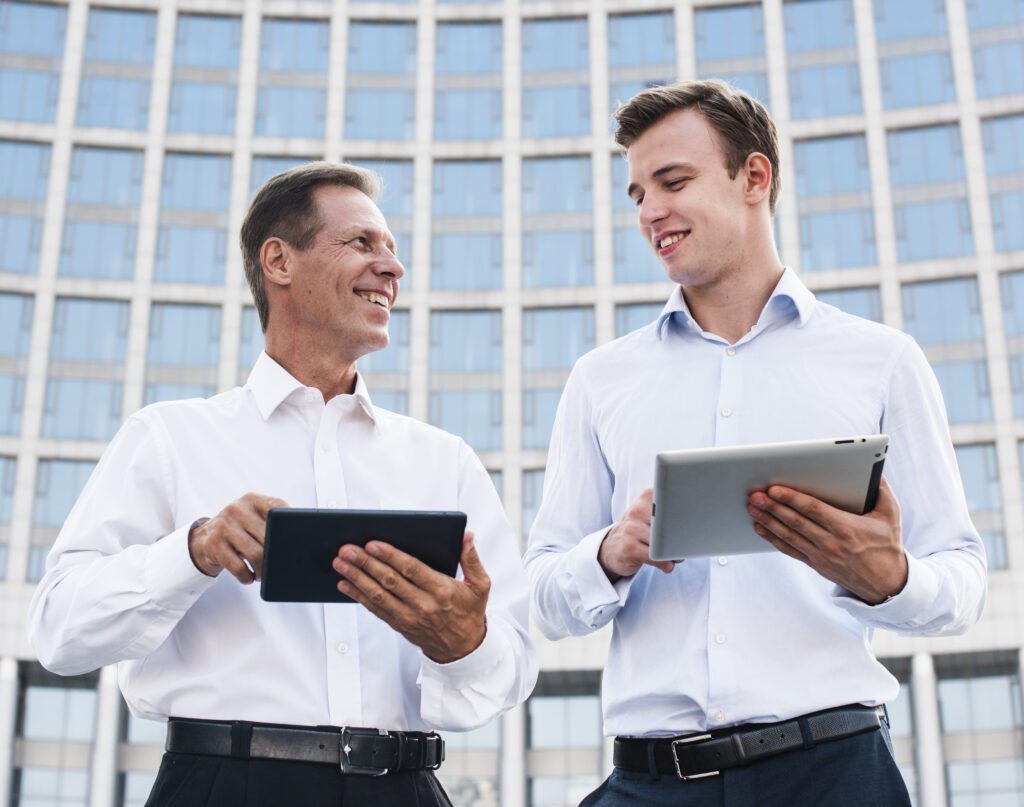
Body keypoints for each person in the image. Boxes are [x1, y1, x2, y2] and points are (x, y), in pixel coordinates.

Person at [524, 80, 987, 806]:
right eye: (637, 193)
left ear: (755, 177)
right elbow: (542, 598)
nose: (650, 211)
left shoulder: (881, 359)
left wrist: (887, 575)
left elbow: (960, 581)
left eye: (672, 182)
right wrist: (609, 553)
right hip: (652, 782)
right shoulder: (600, 380)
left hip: (834, 771)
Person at [28, 162, 537, 807]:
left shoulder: (445, 461)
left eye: (393, 250)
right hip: (224, 787)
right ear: (279, 260)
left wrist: (468, 644)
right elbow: (58, 632)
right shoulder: (169, 437)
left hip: (405, 788)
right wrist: (195, 551)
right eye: (364, 243)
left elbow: (514, 666)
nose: (393, 268)